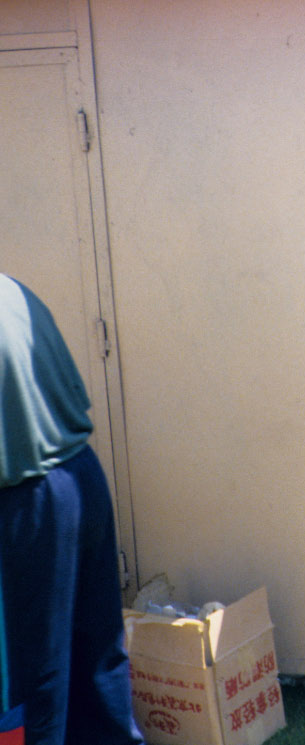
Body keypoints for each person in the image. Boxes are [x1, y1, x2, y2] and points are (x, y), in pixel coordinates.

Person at [0, 275, 144, 745]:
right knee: (98, 659)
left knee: (35, 682)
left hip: (27, 500)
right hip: (81, 475)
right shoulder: (11, 291)